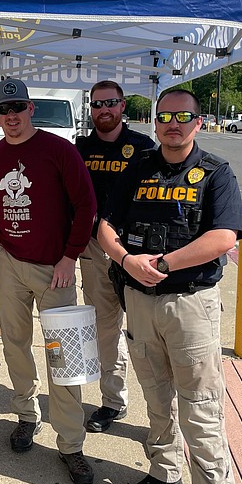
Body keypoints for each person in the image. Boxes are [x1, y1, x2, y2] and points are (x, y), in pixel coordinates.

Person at [97, 88, 242, 484]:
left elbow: (225, 237)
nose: (172, 125)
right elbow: (106, 226)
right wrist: (126, 260)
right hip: (139, 301)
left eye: (182, 118)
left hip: (189, 303)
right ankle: (164, 472)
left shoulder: (216, 172)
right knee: (156, 395)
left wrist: (164, 264)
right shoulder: (138, 167)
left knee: (200, 405)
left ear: (199, 123)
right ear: (155, 122)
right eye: (164, 117)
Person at [0, 78, 97, 484]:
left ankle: (71, 442)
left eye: (18, 108)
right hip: (9, 262)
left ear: (31, 109)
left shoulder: (59, 149)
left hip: (55, 267)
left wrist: (70, 256)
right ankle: (26, 415)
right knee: (15, 342)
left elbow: (86, 205)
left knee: (66, 355)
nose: (11, 116)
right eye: (3, 110)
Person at [75, 80, 155, 433]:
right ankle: (113, 402)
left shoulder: (143, 147)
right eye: (96, 104)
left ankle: (160, 413)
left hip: (138, 251)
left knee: (148, 335)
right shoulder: (81, 148)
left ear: (123, 106)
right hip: (95, 250)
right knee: (106, 331)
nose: (103, 110)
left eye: (110, 103)